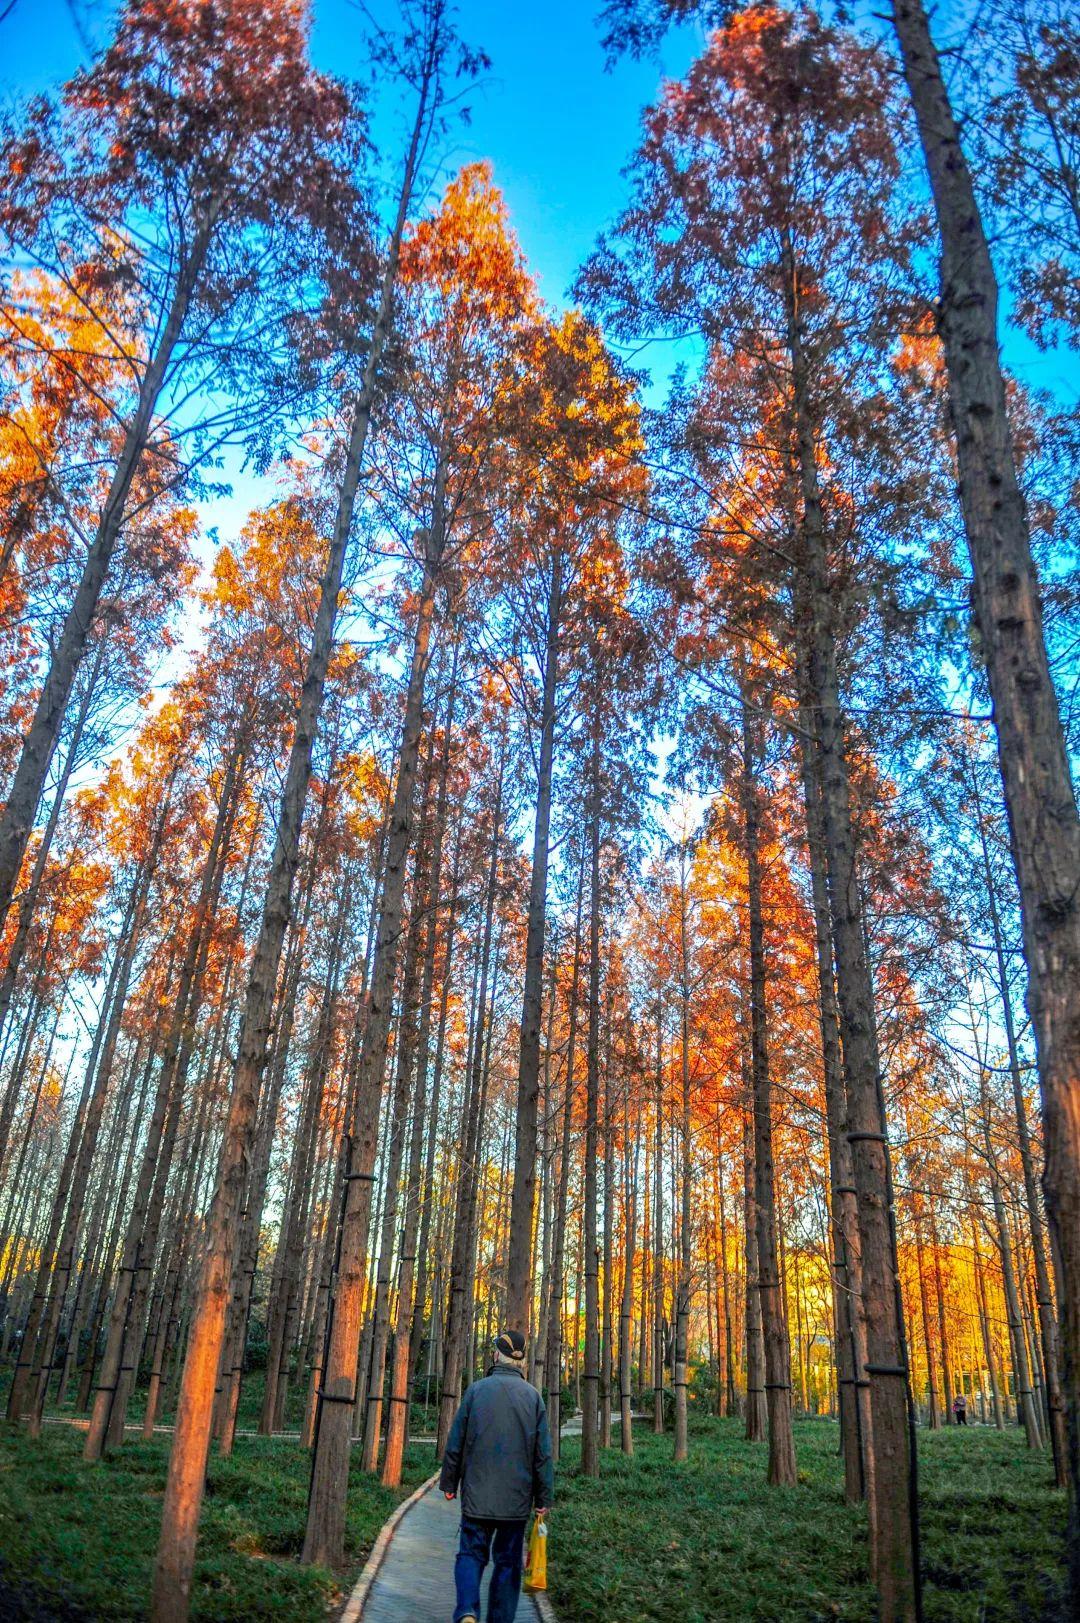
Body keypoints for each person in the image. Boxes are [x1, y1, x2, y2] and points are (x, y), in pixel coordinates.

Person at [440, 1329, 554, 1623]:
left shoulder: (476, 1391)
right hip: (515, 1504)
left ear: (496, 1355)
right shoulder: (534, 1398)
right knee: (507, 1564)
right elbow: (542, 1455)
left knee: (470, 1554)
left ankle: (467, 1610)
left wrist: (449, 1483)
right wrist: (543, 1498)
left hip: (477, 1497)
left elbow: (456, 1442)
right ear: (521, 1361)